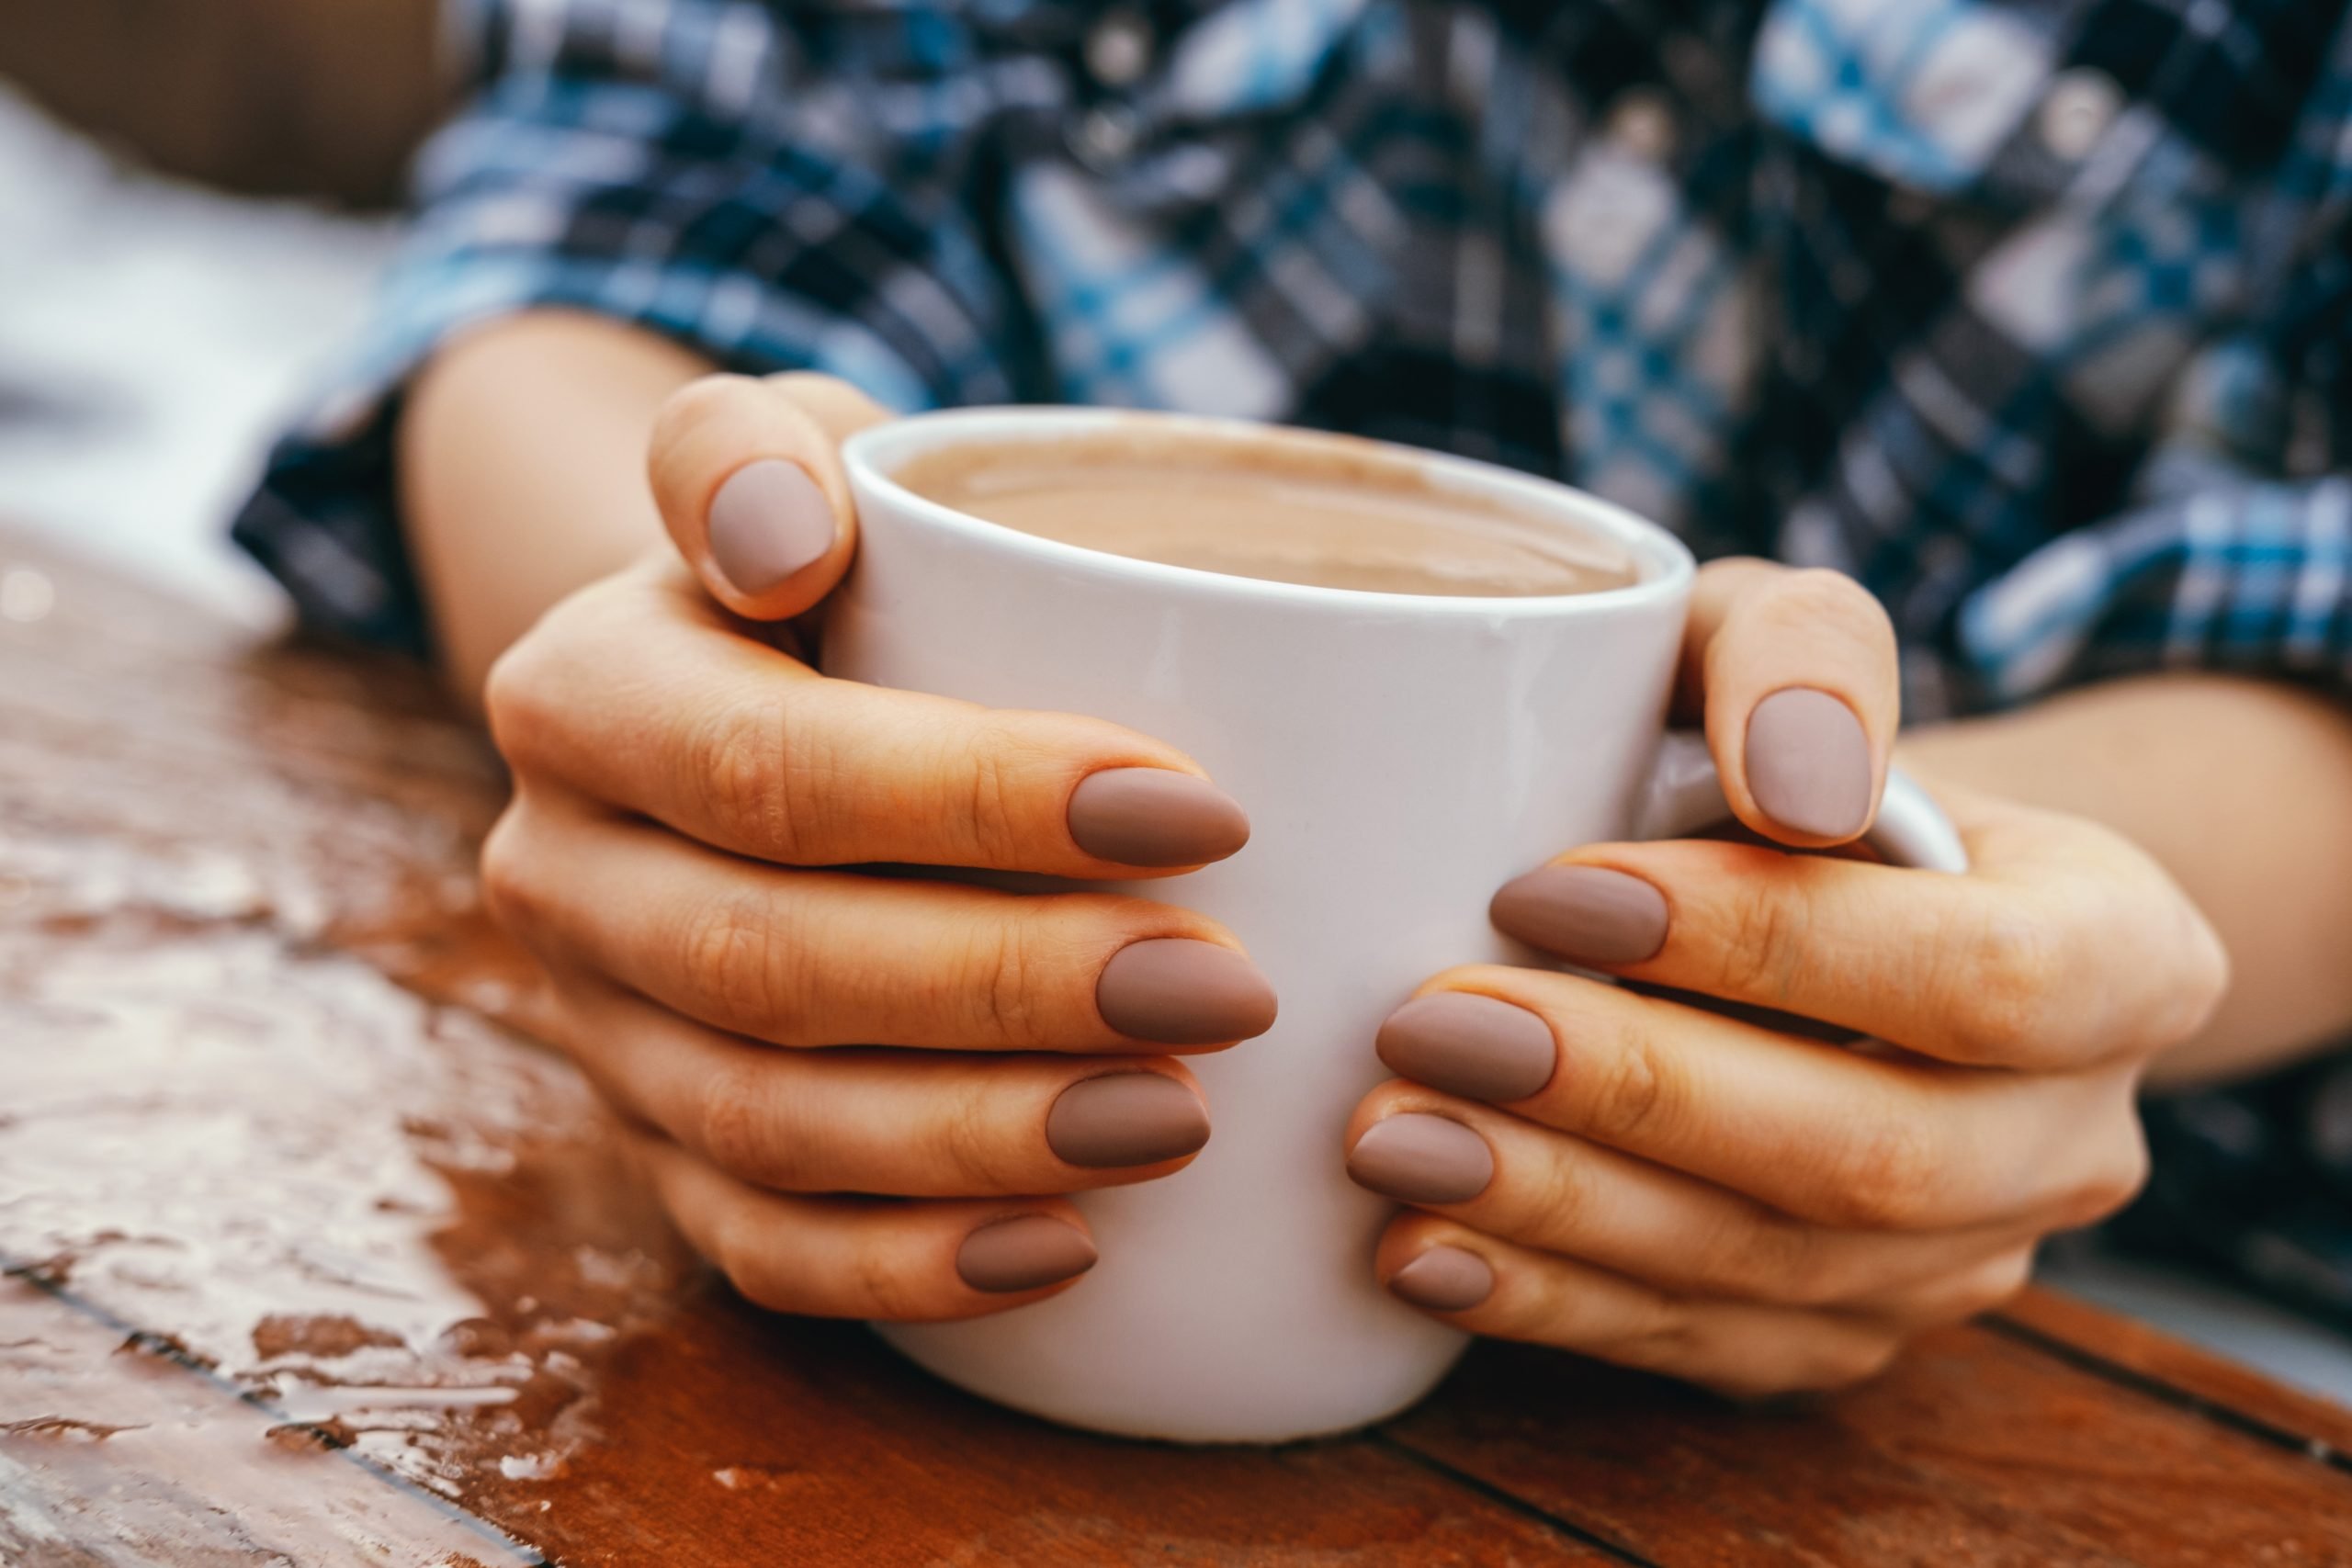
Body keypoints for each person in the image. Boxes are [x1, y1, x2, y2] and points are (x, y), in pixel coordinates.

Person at [233, 0, 2352, 1394]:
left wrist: (1926, 950)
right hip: (773, 1299)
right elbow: (597, 268)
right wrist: (714, 714)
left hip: (2128, 1308)